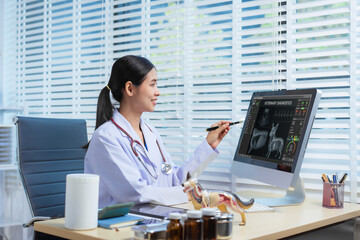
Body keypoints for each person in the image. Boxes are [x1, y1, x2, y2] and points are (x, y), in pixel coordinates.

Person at [84, 55, 231, 208]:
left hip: (148, 216)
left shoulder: (150, 133)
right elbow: (135, 193)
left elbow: (172, 178)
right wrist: (186, 193)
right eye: (152, 84)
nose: (158, 92)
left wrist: (208, 145)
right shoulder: (106, 138)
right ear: (130, 89)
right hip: (116, 225)